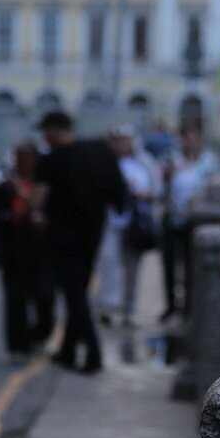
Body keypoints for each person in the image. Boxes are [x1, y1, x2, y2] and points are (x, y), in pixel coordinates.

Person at [34, 111, 126, 374]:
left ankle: (93, 355)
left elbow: (37, 201)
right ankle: (68, 351)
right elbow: (117, 193)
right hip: (93, 234)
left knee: (74, 296)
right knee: (79, 292)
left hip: (63, 237)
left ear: (53, 130)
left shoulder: (51, 160)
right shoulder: (98, 151)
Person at [0, 142, 54, 363]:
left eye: (29, 158)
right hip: (14, 252)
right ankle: (18, 345)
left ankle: (38, 335)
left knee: (44, 297)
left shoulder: (44, 185)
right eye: (21, 158)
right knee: (15, 301)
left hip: (40, 252)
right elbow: (3, 216)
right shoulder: (8, 186)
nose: (26, 163)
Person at [96, 125, 158, 328]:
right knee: (108, 262)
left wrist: (141, 194)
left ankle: (128, 308)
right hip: (111, 220)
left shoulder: (143, 162)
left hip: (134, 222)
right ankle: (108, 306)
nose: (121, 144)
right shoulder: (106, 162)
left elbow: (155, 189)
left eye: (125, 140)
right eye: (117, 140)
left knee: (132, 267)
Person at [160, 122, 216, 322]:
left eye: (194, 137)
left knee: (191, 266)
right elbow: (161, 183)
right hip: (172, 218)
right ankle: (171, 306)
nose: (190, 142)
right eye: (186, 137)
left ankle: (188, 308)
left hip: (195, 222)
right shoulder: (172, 158)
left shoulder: (208, 161)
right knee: (169, 264)